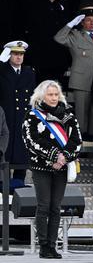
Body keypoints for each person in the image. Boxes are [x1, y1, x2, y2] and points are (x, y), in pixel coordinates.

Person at [22, 80, 82, 259]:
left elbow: (76, 140)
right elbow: (31, 140)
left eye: (56, 94)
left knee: (56, 207)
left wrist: (64, 157)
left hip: (61, 167)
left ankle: (52, 245)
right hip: (41, 167)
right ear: (42, 96)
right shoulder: (32, 115)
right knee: (44, 206)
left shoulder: (68, 115)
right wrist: (54, 155)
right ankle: (43, 246)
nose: (54, 98)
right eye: (50, 95)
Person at [54, 7, 93, 137]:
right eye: (88, 20)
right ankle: (79, 142)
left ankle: (92, 141)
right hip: (81, 81)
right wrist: (70, 25)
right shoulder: (75, 35)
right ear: (82, 22)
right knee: (81, 115)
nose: (91, 23)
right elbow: (58, 38)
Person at [0, 41, 35, 181]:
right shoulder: (2, 71)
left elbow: (32, 96)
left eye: (21, 54)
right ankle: (4, 185)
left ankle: (19, 185)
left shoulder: (29, 72)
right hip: (6, 118)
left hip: (22, 118)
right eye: (15, 54)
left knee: (22, 154)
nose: (19, 57)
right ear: (9, 55)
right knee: (5, 153)